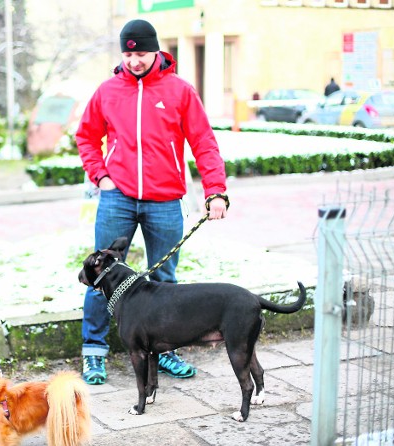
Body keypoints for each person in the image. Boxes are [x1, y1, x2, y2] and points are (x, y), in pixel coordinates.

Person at [76, 19, 228, 385]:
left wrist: (216, 190)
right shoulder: (108, 91)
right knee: (103, 275)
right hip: (118, 199)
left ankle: (165, 350)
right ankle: (94, 354)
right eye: (128, 54)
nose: (134, 61)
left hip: (165, 200)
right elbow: (86, 137)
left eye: (141, 53)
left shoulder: (179, 91)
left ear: (156, 50)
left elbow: (204, 142)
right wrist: (102, 176)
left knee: (164, 280)